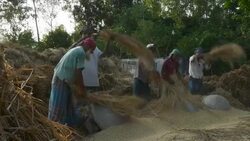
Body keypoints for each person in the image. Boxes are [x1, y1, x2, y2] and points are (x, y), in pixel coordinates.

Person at [48, 37, 96, 127]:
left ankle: (68, 128)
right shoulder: (81, 53)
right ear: (88, 47)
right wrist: (82, 90)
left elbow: (74, 72)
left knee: (69, 106)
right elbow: (78, 74)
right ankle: (54, 128)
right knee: (58, 108)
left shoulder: (76, 50)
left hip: (62, 80)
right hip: (61, 81)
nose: (92, 53)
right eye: (92, 50)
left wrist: (78, 88)